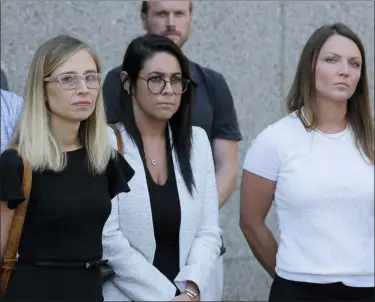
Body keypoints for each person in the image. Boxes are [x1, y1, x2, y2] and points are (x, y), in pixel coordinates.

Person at [103, 2, 242, 298]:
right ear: (127, 84)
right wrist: (168, 295)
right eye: (155, 79)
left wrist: (190, 289)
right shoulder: (106, 143)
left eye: (176, 80)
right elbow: (109, 241)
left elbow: (208, 231)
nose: (168, 89)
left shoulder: (197, 143)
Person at [240, 22, 374, 301]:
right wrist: (288, 272)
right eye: (332, 60)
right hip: (298, 289)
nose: (345, 71)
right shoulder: (274, 140)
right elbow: (251, 222)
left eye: (355, 64)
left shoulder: (370, 140)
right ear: (310, 67)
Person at [0, 34, 134, 301]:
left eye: (91, 77)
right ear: (42, 89)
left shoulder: (105, 159)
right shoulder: (16, 164)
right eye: (68, 79)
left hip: (88, 292)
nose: (83, 88)